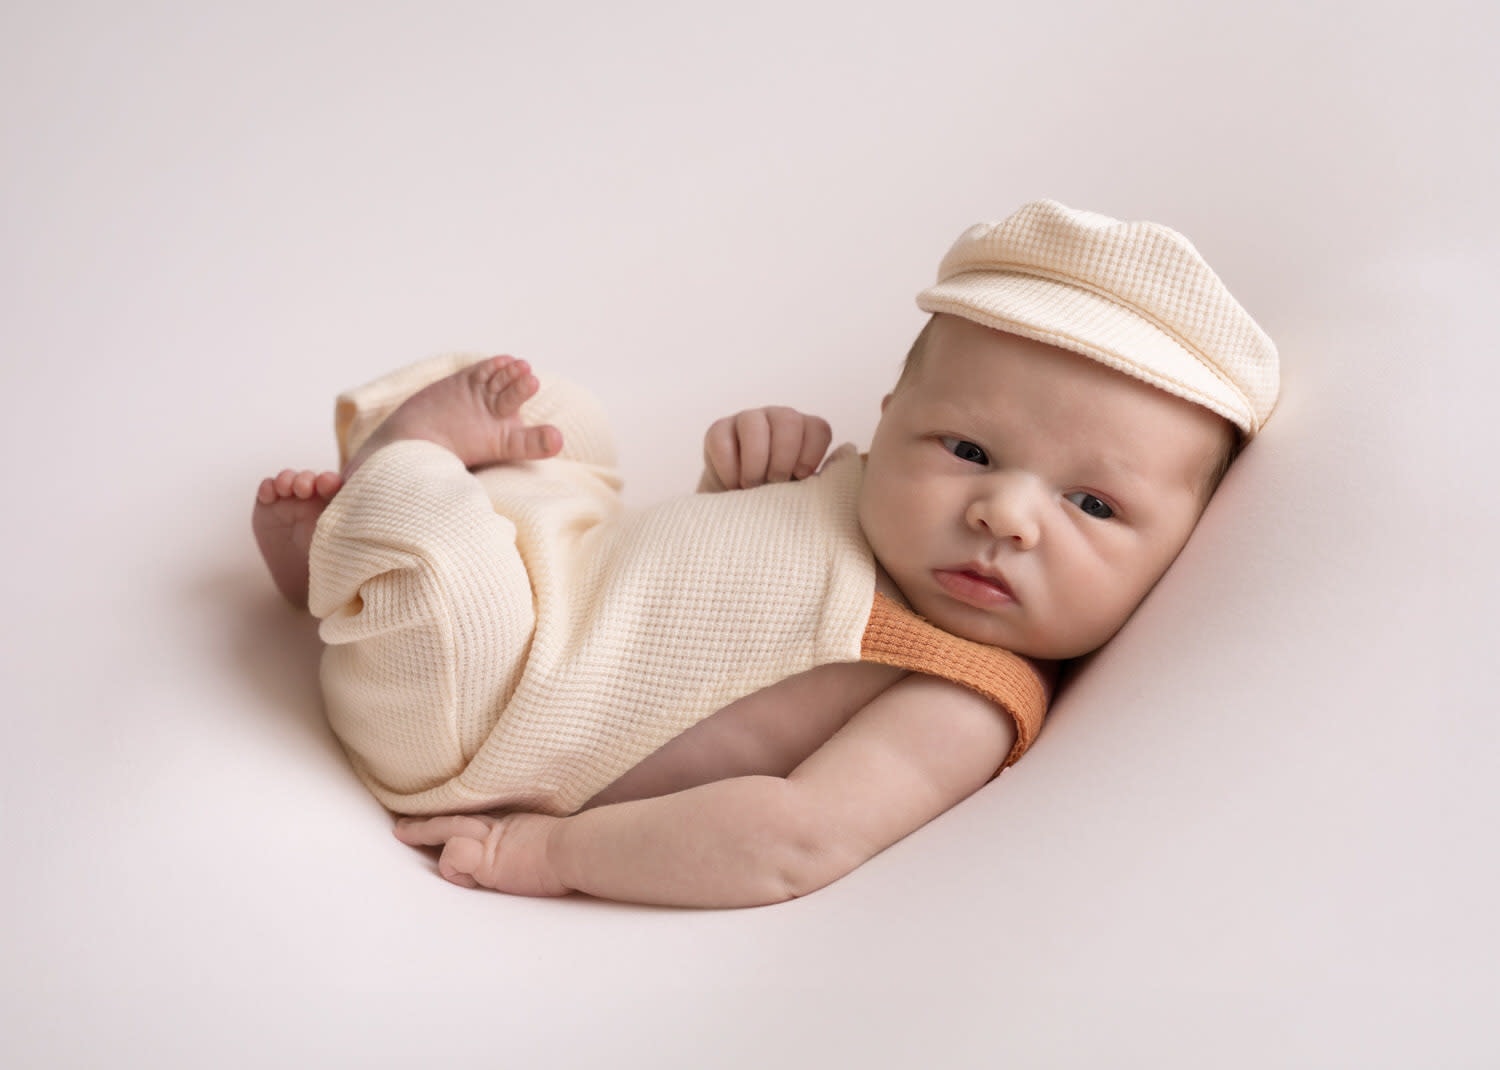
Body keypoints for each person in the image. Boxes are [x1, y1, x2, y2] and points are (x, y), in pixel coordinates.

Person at [252, 200, 1278, 907]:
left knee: (441, 561)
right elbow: (700, 620)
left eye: (1092, 502)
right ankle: (347, 557)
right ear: (892, 416)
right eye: (967, 448)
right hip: (569, 581)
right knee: (556, 416)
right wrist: (740, 478)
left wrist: (554, 850)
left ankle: (394, 478)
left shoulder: (963, 689)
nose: (1004, 512)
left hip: (492, 715)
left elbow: (792, 836)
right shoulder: (860, 493)